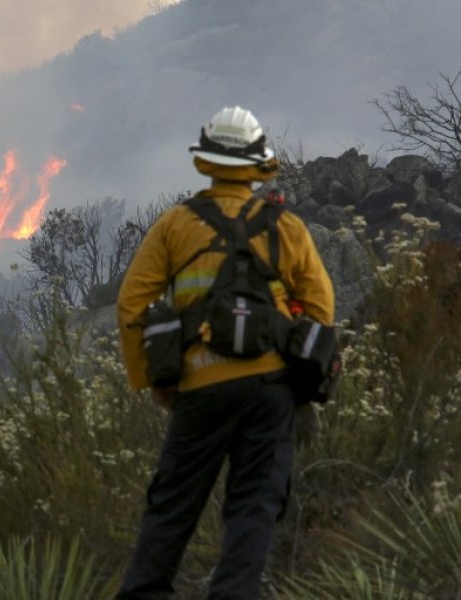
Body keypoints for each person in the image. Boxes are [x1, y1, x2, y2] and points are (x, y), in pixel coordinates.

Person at [115, 107, 335, 599]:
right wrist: (305, 387)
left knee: (172, 505)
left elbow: (131, 304)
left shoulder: (174, 225)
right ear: (259, 165)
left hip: (199, 388)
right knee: (254, 506)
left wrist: (153, 381)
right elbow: (321, 307)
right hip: (271, 391)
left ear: (206, 163)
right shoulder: (287, 227)